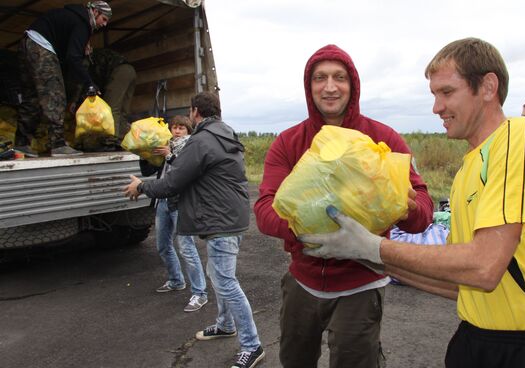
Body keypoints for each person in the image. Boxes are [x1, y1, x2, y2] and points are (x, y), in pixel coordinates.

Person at [300, 38, 525, 368]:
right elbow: (460, 282)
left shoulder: (522, 137)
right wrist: (371, 259)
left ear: (487, 86)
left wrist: (375, 247)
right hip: (477, 340)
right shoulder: (468, 169)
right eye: (434, 95)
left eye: (447, 92)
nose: (436, 107)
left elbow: (483, 267)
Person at [253, 44, 433, 367]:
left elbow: (423, 211)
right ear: (309, 88)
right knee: (294, 359)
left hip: (361, 283)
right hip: (302, 279)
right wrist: (306, 234)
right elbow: (265, 208)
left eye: (339, 77)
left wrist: (407, 209)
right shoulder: (289, 142)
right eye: (320, 78)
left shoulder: (384, 139)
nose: (330, 86)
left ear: (354, 84)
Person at [123, 92, 265, 368]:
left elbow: (172, 183)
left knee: (226, 281)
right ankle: (225, 325)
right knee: (217, 273)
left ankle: (253, 345)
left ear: (196, 111)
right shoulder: (226, 134)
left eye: (189, 112)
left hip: (221, 219)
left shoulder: (202, 141)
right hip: (228, 215)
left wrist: (140, 186)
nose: (188, 116)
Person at [14, 1, 112, 158]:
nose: (104, 24)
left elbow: (68, 53)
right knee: (55, 96)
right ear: (94, 12)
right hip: (41, 48)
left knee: (31, 97)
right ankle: (58, 145)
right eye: (104, 19)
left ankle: (21, 143)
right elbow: (73, 58)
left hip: (27, 43)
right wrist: (89, 83)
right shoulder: (83, 23)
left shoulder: (72, 16)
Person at [139, 115, 208, 312]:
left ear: (188, 131)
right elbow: (147, 172)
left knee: (187, 248)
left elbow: (185, 171)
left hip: (181, 202)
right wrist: (144, 152)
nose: (177, 131)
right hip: (163, 201)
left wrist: (169, 155)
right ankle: (176, 280)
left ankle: (200, 293)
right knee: (162, 245)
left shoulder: (189, 147)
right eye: (174, 128)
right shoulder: (165, 145)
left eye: (181, 128)